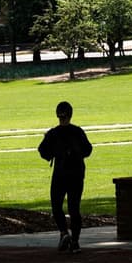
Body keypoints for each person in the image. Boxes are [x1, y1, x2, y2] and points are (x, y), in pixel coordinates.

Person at [38, 100, 93, 253]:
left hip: (60, 174)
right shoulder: (78, 131)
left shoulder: (53, 133)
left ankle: (63, 232)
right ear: (71, 114)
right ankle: (75, 241)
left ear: (57, 115)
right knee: (74, 208)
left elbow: (43, 151)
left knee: (56, 206)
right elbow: (88, 150)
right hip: (76, 174)